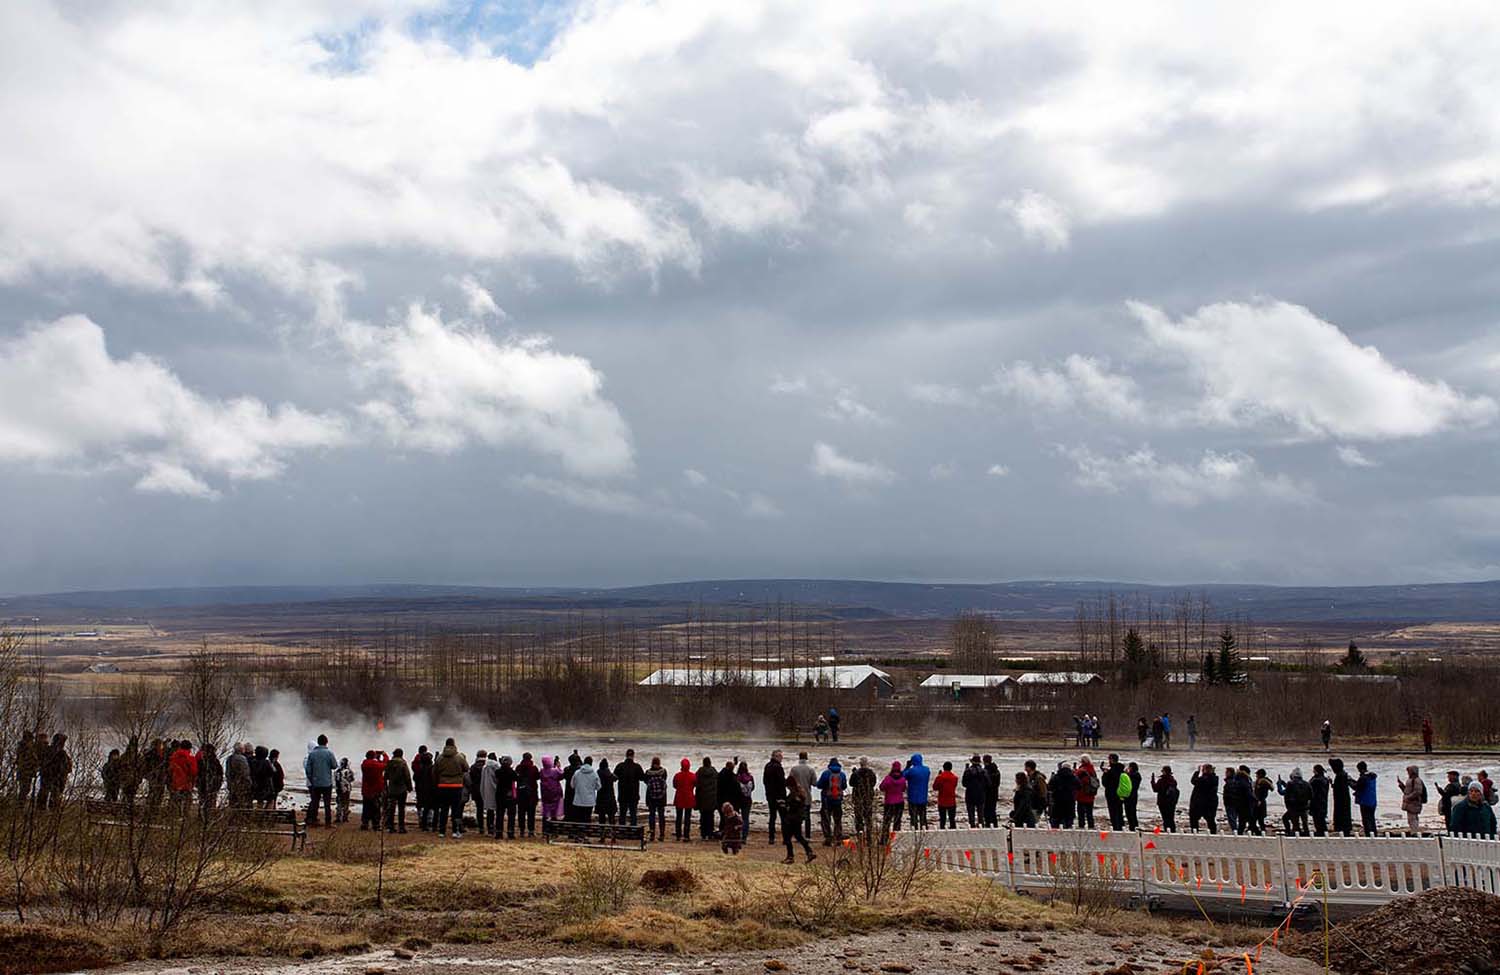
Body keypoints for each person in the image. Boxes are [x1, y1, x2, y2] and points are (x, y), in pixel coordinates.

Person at [433, 737, 468, 838]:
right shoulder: (459, 757)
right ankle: (455, 831)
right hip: (456, 786)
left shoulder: (439, 757)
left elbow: (434, 772)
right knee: (455, 810)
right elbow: (466, 768)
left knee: (443, 809)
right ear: (454, 744)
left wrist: (437, 783)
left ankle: (442, 831)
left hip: (443, 786)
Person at [303, 734, 337, 827]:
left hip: (315, 783)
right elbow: (334, 766)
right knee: (327, 804)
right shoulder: (329, 753)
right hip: (327, 783)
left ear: (318, 742)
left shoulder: (312, 754)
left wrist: (312, 780)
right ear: (326, 742)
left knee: (315, 803)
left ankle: (313, 821)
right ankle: (328, 823)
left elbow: (308, 770)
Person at [782, 776, 817, 863]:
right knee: (799, 837)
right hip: (798, 818)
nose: (787, 788)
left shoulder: (795, 795)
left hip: (793, 819)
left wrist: (785, 805)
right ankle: (809, 852)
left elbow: (793, 805)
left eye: (788, 786)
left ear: (791, 785)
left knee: (787, 838)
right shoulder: (799, 793)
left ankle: (790, 857)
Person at [37, 734, 71, 809]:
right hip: (56, 779)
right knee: (54, 798)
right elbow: (65, 768)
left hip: (47, 777)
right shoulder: (61, 753)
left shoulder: (47, 750)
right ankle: (51, 813)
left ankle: (40, 811)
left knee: (44, 794)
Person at [818, 758, 847, 843]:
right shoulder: (842, 774)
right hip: (838, 800)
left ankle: (828, 838)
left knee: (826, 819)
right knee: (837, 819)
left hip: (826, 799)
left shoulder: (825, 773)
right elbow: (844, 786)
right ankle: (837, 836)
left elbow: (819, 785)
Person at [789, 752, 817, 838]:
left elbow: (789, 782)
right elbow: (814, 783)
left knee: (796, 817)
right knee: (807, 817)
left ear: (799, 758)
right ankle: (808, 836)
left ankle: (798, 835)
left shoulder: (794, 769)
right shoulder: (811, 769)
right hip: (807, 796)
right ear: (806, 758)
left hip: (796, 797)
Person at [1278, 768, 1312, 836]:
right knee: (1305, 823)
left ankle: (1292, 833)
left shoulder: (1290, 783)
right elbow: (1311, 795)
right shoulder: (1307, 784)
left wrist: (1279, 785)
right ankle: (1306, 835)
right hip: (1304, 807)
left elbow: (1283, 792)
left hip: (1294, 808)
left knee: (1293, 822)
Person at [385, 748, 412, 833]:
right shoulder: (403, 763)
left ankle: (390, 826)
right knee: (401, 808)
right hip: (402, 789)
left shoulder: (389, 763)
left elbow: (386, 776)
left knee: (391, 808)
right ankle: (401, 827)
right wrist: (409, 787)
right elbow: (407, 776)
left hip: (392, 788)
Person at [360, 750, 388, 831]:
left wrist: (377, 758)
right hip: (376, 789)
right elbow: (385, 764)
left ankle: (364, 824)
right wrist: (384, 755)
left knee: (366, 807)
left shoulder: (364, 764)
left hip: (366, 790)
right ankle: (376, 825)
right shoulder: (376, 765)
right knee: (376, 808)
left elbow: (379, 765)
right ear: (374, 757)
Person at [763, 750, 787, 844]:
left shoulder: (767, 766)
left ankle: (771, 838)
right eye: (780, 756)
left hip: (770, 796)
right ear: (776, 757)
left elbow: (764, 781)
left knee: (772, 817)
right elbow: (781, 782)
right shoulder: (778, 767)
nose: (782, 758)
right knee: (783, 818)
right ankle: (785, 838)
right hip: (780, 796)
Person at [615, 749, 644, 827]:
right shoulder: (637, 767)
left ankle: (621, 830)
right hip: (633, 794)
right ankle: (633, 830)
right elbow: (642, 778)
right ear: (633, 756)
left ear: (626, 755)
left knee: (622, 814)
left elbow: (614, 778)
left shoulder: (620, 766)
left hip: (622, 794)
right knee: (633, 814)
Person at [849, 757, 876, 836]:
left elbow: (851, 783)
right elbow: (873, 783)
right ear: (867, 763)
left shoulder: (856, 773)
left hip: (858, 797)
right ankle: (869, 836)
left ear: (860, 764)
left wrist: (853, 773)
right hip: (868, 797)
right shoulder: (871, 773)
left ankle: (860, 834)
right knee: (868, 817)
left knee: (859, 817)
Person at [643, 756, 668, 842]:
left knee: (652, 815)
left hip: (651, 797)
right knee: (661, 816)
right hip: (661, 797)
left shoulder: (647, 772)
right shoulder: (663, 772)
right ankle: (662, 834)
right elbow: (665, 780)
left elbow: (645, 781)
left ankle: (652, 834)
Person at [1188, 764, 1218, 833]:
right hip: (1209, 803)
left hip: (1200, 803)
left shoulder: (1206, 779)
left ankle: (1195, 832)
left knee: (1194, 819)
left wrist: (1197, 772)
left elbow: (1194, 781)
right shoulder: (1214, 778)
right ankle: (1213, 832)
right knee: (1210, 820)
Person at [903, 754, 931, 830]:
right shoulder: (927, 770)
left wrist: (907, 767)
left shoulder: (911, 771)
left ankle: (914, 830)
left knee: (913, 816)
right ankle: (924, 829)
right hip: (923, 796)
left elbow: (902, 777)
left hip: (912, 797)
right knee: (923, 816)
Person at [515, 753, 540, 838]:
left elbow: (515, 778)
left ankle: (522, 830)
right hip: (532, 794)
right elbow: (537, 777)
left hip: (521, 793)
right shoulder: (533, 768)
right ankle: (531, 831)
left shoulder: (518, 767)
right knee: (531, 813)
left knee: (521, 813)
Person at [570, 756, 601, 823]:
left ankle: (579, 831)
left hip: (578, 800)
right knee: (587, 818)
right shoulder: (594, 774)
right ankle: (587, 831)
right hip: (589, 801)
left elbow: (572, 785)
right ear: (591, 763)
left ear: (584, 762)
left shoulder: (577, 773)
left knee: (579, 818)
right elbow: (598, 787)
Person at [671, 758, 695, 841]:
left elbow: (674, 785)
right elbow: (695, 784)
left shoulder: (677, 775)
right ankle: (686, 835)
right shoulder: (692, 775)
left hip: (679, 797)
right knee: (687, 818)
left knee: (679, 817)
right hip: (689, 798)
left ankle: (678, 835)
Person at [1047, 762, 1077, 829]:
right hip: (1070, 802)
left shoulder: (1056, 776)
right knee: (1068, 821)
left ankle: (1056, 833)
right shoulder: (1073, 777)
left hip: (1058, 802)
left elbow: (1049, 787)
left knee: (1056, 821)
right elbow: (1079, 786)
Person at [879, 761, 906, 834]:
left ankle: (884, 839)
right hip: (900, 802)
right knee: (897, 822)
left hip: (889, 802)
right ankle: (896, 838)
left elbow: (881, 787)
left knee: (886, 822)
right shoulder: (902, 779)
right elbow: (903, 789)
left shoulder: (888, 778)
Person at [196, 743, 223, 817]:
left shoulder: (202, 761)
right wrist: (218, 784)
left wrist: (198, 784)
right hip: (212, 785)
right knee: (211, 801)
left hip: (203, 785)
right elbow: (220, 774)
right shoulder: (215, 761)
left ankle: (202, 816)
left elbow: (197, 774)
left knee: (202, 801)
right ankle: (209, 816)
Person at [168, 739, 198, 805]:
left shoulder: (173, 758)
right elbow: (194, 772)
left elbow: (170, 771)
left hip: (174, 785)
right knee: (186, 805)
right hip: (186, 785)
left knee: (174, 805)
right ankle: (184, 814)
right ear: (189, 748)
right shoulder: (191, 759)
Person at [694, 756, 718, 839]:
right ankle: (710, 832)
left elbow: (696, 783)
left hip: (702, 797)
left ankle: (703, 833)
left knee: (703, 816)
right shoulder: (714, 771)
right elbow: (717, 782)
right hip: (711, 797)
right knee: (710, 816)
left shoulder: (700, 772)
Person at [412, 745, 434, 831]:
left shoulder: (416, 762)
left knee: (420, 802)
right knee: (429, 804)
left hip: (419, 786)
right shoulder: (430, 765)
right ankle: (429, 820)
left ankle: (421, 819)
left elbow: (414, 776)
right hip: (429, 787)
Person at [1330, 758, 1354, 836]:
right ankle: (1344, 829)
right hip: (1343, 800)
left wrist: (1332, 784)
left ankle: (1343, 829)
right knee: (1344, 815)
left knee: (1342, 816)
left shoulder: (1340, 775)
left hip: (1341, 801)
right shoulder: (1342, 774)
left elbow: (1339, 788)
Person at [1354, 761, 1378, 836]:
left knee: (1366, 820)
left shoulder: (1363, 778)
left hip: (1365, 801)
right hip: (1373, 801)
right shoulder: (1372, 776)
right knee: (1372, 819)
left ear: (1360, 769)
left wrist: (1349, 782)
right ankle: (1374, 834)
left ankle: (1369, 835)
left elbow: (1357, 787)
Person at [1151, 765, 1179, 832]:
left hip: (1163, 802)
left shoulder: (1162, 780)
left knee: (1165, 818)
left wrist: (1152, 781)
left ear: (1165, 772)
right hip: (1172, 802)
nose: (1162, 772)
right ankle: (1172, 831)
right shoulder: (1173, 780)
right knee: (1171, 818)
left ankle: (1167, 830)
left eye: (1162, 771)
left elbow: (1155, 789)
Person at [1399, 765, 1425, 833]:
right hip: (1411, 803)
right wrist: (1401, 786)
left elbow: (1418, 792)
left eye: (1409, 771)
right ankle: (1414, 831)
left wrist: (1408, 797)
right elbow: (1407, 791)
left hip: (1414, 803)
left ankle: (1414, 832)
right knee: (1412, 818)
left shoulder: (1417, 780)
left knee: (1412, 818)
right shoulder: (1411, 780)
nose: (1408, 772)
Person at [933, 760, 959, 829]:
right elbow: (954, 786)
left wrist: (939, 775)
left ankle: (942, 829)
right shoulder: (955, 778)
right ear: (951, 768)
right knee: (952, 819)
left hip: (942, 800)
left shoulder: (940, 777)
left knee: (942, 819)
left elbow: (935, 787)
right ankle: (953, 830)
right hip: (951, 800)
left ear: (943, 768)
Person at [1074, 755, 1098, 829]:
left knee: (1081, 813)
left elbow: (1076, 780)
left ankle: (1082, 826)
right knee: (1089, 813)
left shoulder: (1081, 770)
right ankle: (1091, 825)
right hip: (1090, 795)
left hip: (1082, 795)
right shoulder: (1092, 769)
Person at [468, 750, 490, 834]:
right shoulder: (488, 766)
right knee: (489, 809)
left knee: (479, 809)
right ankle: (490, 827)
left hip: (476, 790)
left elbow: (471, 779)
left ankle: (481, 827)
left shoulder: (473, 767)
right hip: (487, 790)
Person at [1102, 754, 1125, 831]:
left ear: (1111, 759)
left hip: (1111, 793)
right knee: (1119, 810)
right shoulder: (1122, 769)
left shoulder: (1111, 771)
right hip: (1121, 793)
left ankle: (1116, 827)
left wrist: (1105, 773)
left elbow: (1105, 783)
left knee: (1113, 811)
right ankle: (1121, 826)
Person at [961, 756, 986, 828]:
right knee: (980, 814)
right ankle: (981, 827)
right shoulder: (983, 771)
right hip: (981, 794)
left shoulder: (968, 771)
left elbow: (964, 784)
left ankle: (972, 827)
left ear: (972, 762)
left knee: (971, 813)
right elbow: (988, 783)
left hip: (970, 794)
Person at [715, 759, 738, 836]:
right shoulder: (732, 777)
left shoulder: (721, 774)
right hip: (729, 799)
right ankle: (727, 833)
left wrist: (734, 763)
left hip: (720, 799)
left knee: (723, 817)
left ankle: (722, 832)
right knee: (729, 817)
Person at [226, 742, 251, 808]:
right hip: (241, 784)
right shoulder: (242, 759)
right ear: (241, 749)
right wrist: (249, 783)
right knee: (241, 803)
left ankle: (232, 816)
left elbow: (227, 772)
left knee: (232, 802)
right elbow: (245, 772)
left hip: (231, 783)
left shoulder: (229, 758)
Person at [540, 756, 564, 823]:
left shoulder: (542, 771)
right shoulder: (555, 771)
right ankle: (553, 818)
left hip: (545, 792)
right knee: (555, 805)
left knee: (546, 805)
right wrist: (558, 767)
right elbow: (562, 776)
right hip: (555, 791)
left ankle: (545, 818)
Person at [735, 761, 755, 839]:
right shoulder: (750, 777)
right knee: (745, 818)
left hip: (738, 799)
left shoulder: (737, 777)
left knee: (736, 817)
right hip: (747, 799)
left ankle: (737, 834)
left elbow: (735, 788)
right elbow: (753, 788)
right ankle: (744, 836)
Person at [1310, 764, 1330, 836]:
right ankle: (1323, 832)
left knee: (1317, 819)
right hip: (1323, 801)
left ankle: (1320, 832)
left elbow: (1310, 787)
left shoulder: (1316, 780)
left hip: (1316, 802)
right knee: (1321, 818)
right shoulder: (1325, 780)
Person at [596, 758, 618, 825]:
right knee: (611, 817)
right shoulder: (609, 774)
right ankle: (612, 831)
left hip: (600, 798)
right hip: (610, 797)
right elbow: (616, 778)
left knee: (601, 817)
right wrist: (609, 772)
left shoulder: (597, 773)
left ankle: (601, 831)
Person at [982, 754, 1001, 828]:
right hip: (994, 793)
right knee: (992, 811)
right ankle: (994, 826)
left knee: (987, 812)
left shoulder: (986, 771)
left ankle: (988, 826)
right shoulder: (996, 771)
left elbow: (986, 783)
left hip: (987, 794)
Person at [1252, 769, 1273, 835]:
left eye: (1257, 774)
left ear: (1260, 774)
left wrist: (1259, 800)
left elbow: (1261, 793)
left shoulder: (1262, 782)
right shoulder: (1264, 781)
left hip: (1259, 802)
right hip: (1261, 801)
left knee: (1255, 818)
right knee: (1260, 819)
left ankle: (1257, 831)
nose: (1256, 776)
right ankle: (1260, 831)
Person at [334, 757, 355, 823]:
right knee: (346, 803)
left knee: (339, 803)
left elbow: (336, 780)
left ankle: (338, 817)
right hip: (346, 789)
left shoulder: (337, 771)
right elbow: (351, 779)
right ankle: (345, 817)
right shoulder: (349, 771)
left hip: (339, 788)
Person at [1124, 761, 1141, 830]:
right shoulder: (1136, 775)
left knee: (1130, 812)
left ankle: (1133, 826)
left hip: (1131, 795)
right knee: (1132, 812)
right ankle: (1134, 826)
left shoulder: (1134, 775)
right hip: (1133, 795)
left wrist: (1126, 774)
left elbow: (1130, 784)